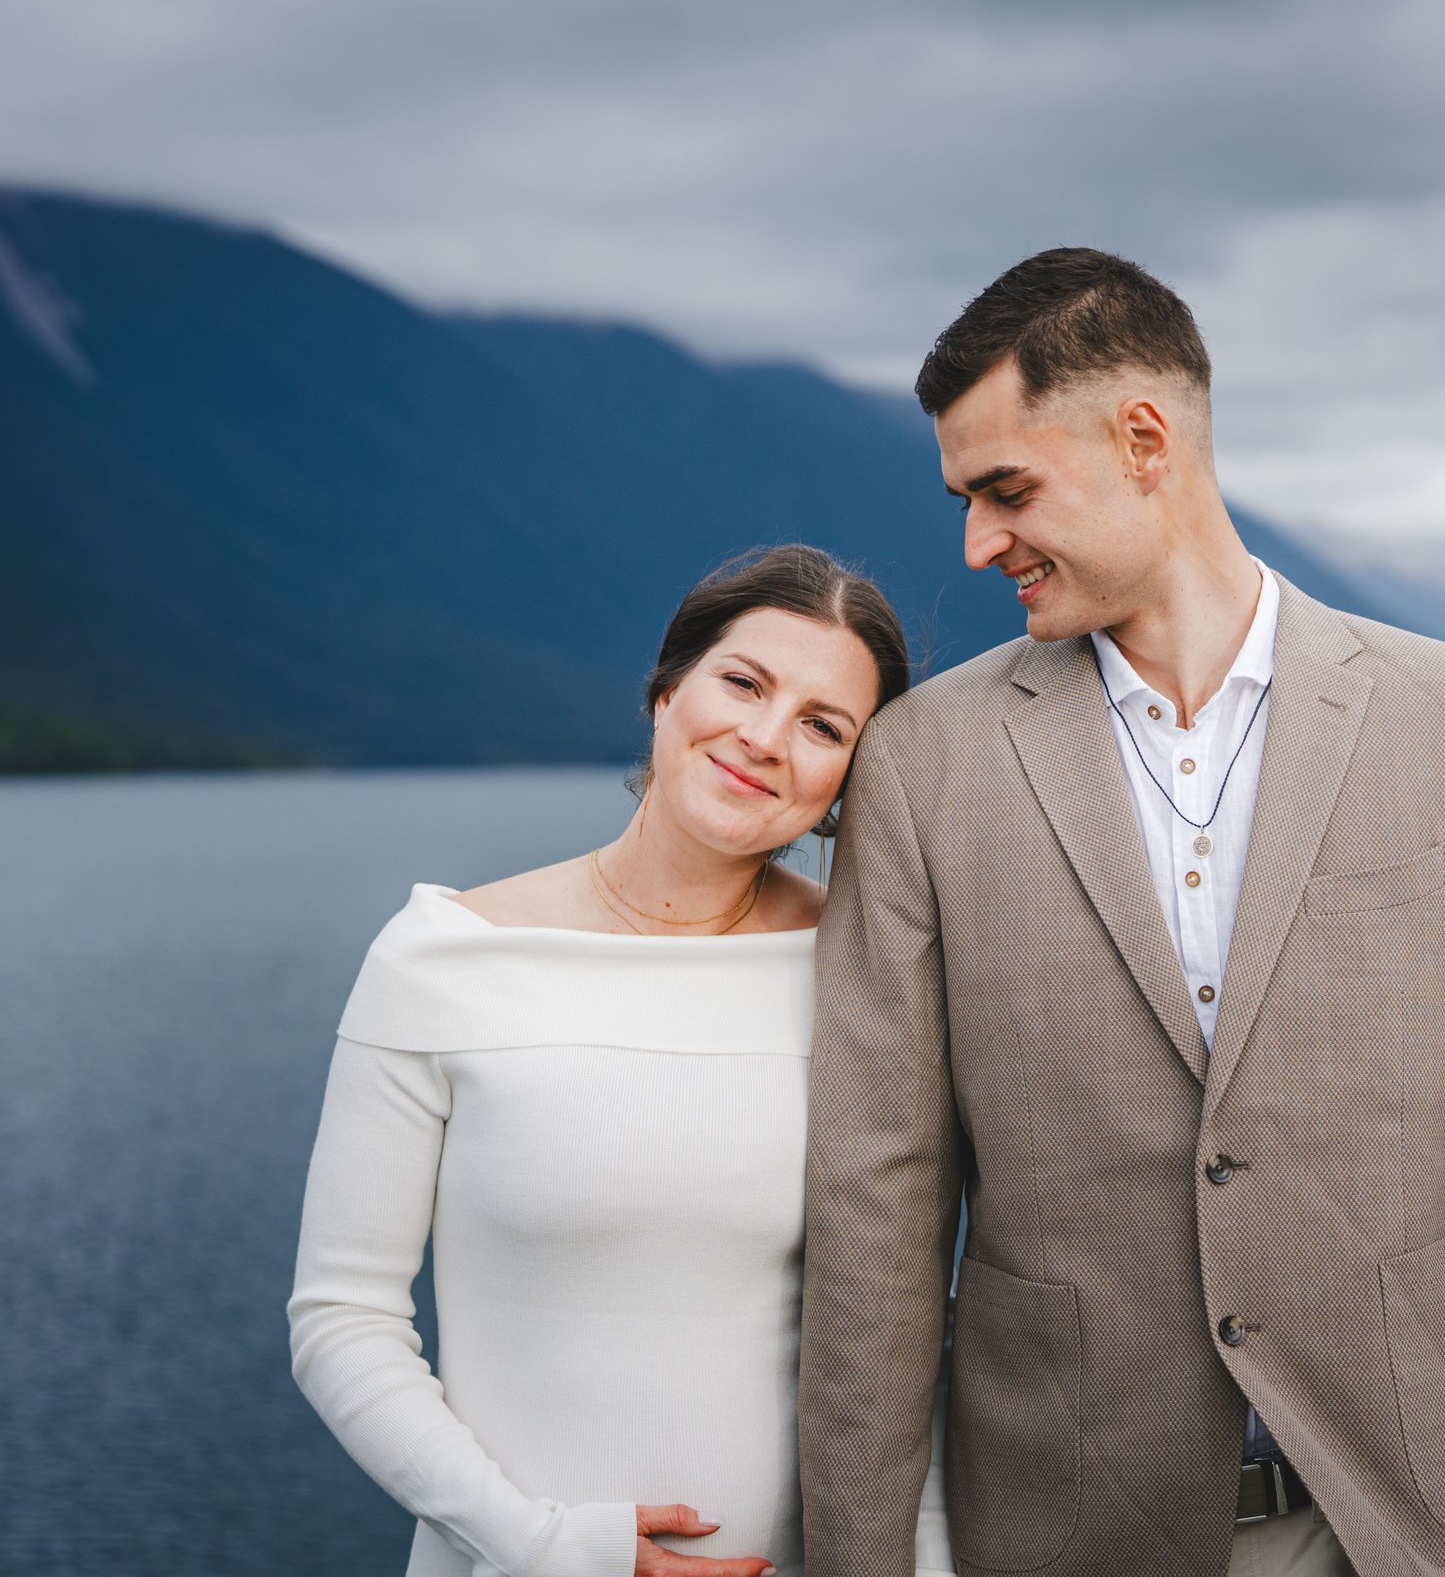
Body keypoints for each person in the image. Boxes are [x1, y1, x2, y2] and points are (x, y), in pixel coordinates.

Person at [798, 252, 1445, 1577]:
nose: (976, 543)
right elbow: (876, 1204)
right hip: (1063, 1529)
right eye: (964, 499)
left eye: (1006, 489)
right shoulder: (923, 762)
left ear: (1142, 438)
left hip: (1388, 1527)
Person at [291, 545, 956, 1577]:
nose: (765, 737)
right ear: (664, 689)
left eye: (824, 726)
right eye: (743, 682)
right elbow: (342, 1321)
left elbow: (915, 1336)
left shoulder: (870, 977)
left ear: (845, 784)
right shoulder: (441, 958)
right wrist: (552, 1546)